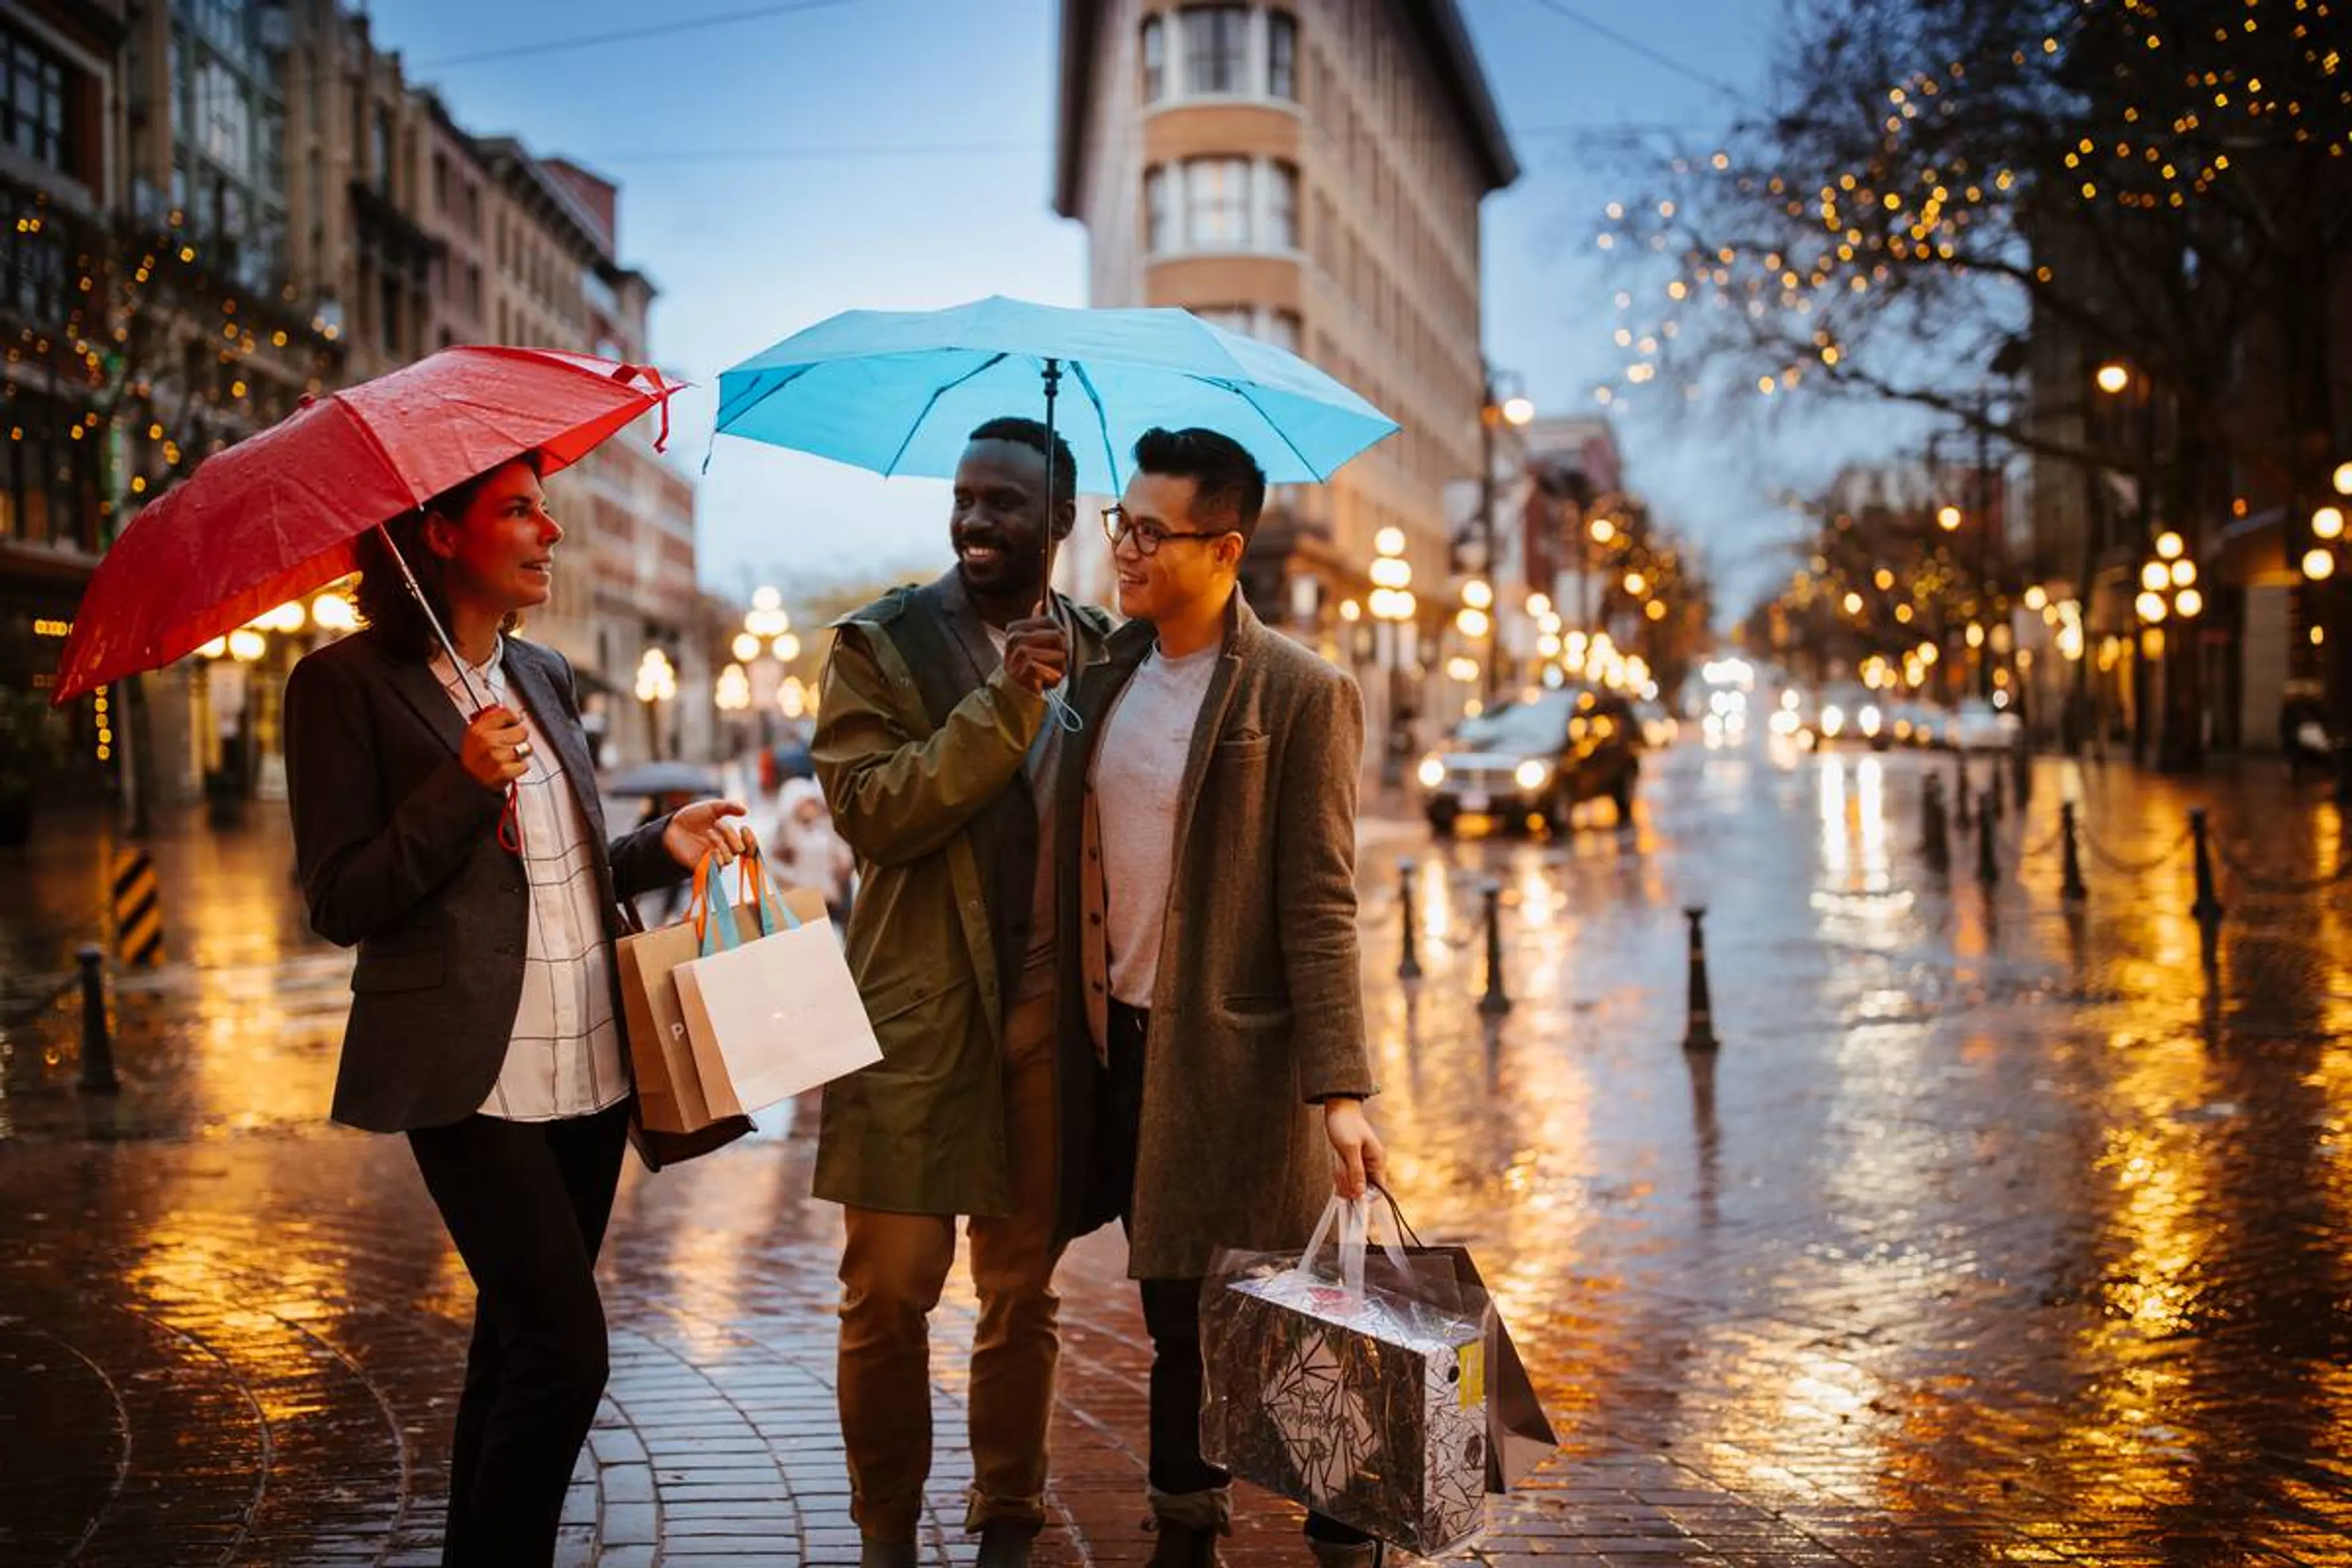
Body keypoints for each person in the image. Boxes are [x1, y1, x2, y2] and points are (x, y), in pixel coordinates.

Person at [282, 453, 752, 1568]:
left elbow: (564, 864)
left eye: (546, 510)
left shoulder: (543, 675)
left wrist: (656, 845)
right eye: (519, 511)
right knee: (564, 1355)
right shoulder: (340, 687)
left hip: (589, 1061)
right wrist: (459, 783)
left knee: (512, 1347)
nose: (550, 532)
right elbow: (341, 899)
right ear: (439, 535)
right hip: (468, 1073)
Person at [1053, 428, 1388, 1568]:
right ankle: (1185, 1530)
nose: (1127, 549)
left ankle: (1347, 1534)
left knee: (1293, 1321)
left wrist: (1341, 1091)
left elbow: (1321, 902)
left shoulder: (1301, 692)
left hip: (1245, 1065)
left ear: (1226, 548)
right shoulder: (1102, 677)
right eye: (1122, 524)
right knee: (1173, 1321)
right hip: (1131, 1055)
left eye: (1154, 532)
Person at [811, 416, 1114, 1568]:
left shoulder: (1102, 647)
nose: (977, 520)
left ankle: (1008, 1523)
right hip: (911, 1022)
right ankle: (886, 1534)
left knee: (1021, 1294)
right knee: (886, 1297)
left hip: (1049, 1028)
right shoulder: (878, 646)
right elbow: (875, 812)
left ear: (1061, 524)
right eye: (965, 498)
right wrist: (1002, 708)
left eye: (1005, 504)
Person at [770, 774, 856, 922]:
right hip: (802, 900)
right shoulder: (784, 834)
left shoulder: (825, 827)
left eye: (812, 803)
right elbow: (774, 868)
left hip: (832, 897)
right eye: (805, 804)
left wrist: (840, 871)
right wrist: (797, 883)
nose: (810, 808)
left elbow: (844, 857)